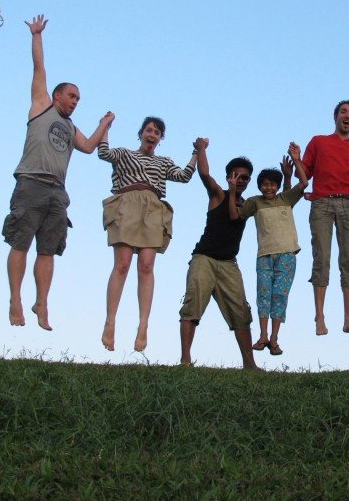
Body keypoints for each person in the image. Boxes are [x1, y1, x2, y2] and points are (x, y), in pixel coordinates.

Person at [3, 15, 108, 331]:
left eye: (78, 99)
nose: (75, 102)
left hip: (57, 192)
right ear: (58, 95)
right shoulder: (42, 106)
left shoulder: (71, 127)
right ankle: (16, 299)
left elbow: (89, 147)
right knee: (20, 243)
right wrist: (36, 36)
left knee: (48, 250)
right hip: (31, 183)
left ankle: (42, 303)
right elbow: (39, 69)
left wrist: (104, 124)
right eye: (72, 96)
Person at [97, 113, 198, 352]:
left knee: (146, 265)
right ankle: (110, 321)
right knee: (122, 264)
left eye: (157, 132)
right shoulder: (124, 154)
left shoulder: (163, 162)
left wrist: (196, 152)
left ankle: (143, 326)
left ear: (160, 138)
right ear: (141, 133)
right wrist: (105, 127)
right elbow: (103, 153)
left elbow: (183, 176)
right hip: (126, 202)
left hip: (153, 206)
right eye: (149, 130)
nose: (152, 135)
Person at [178, 140, 260, 371]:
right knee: (192, 305)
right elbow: (204, 174)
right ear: (228, 176)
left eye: (245, 177)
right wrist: (201, 148)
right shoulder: (218, 195)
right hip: (204, 258)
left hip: (228, 263)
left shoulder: (246, 205)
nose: (240, 180)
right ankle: (185, 360)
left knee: (241, 311)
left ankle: (250, 365)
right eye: (236, 175)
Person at [229, 143, 309, 356]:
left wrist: (296, 159)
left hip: (287, 255)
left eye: (273, 184)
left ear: (277, 185)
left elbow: (304, 183)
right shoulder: (255, 202)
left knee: (279, 296)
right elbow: (235, 216)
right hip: (264, 256)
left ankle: (274, 338)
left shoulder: (286, 199)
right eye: (264, 184)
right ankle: (263, 336)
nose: (268, 188)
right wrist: (231, 190)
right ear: (259, 186)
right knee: (263, 295)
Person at [301, 100, 349, 337]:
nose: (347, 115)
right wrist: (295, 158)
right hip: (322, 203)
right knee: (322, 256)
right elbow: (305, 173)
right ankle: (319, 316)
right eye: (343, 111)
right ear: (335, 116)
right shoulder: (319, 141)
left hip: (347, 205)